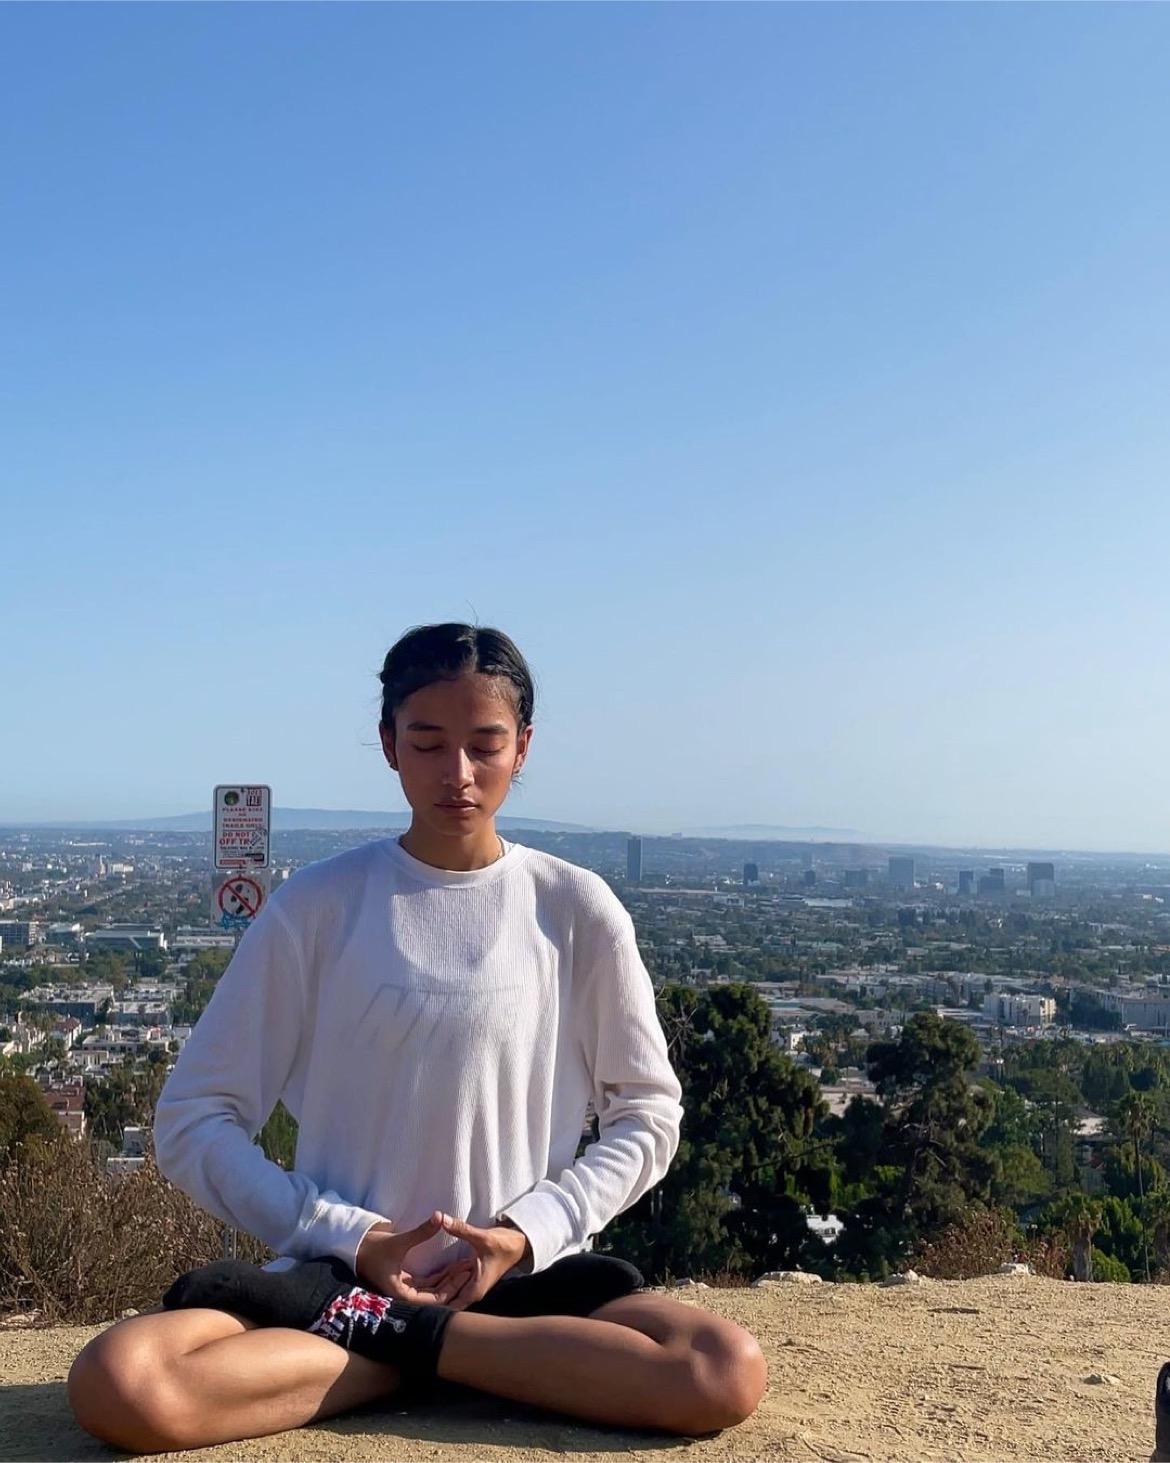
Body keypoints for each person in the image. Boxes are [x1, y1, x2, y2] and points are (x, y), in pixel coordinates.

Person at [66, 623, 768, 1452]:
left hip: (524, 1280)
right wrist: (348, 1236)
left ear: (524, 747)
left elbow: (648, 1114)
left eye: (484, 744)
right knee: (122, 1382)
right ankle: (464, 1358)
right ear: (389, 743)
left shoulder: (575, 909)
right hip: (342, 1282)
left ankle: (402, 1351)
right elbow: (194, 1116)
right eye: (429, 742)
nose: (457, 773)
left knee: (723, 1368)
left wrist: (524, 1231)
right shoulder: (317, 909)